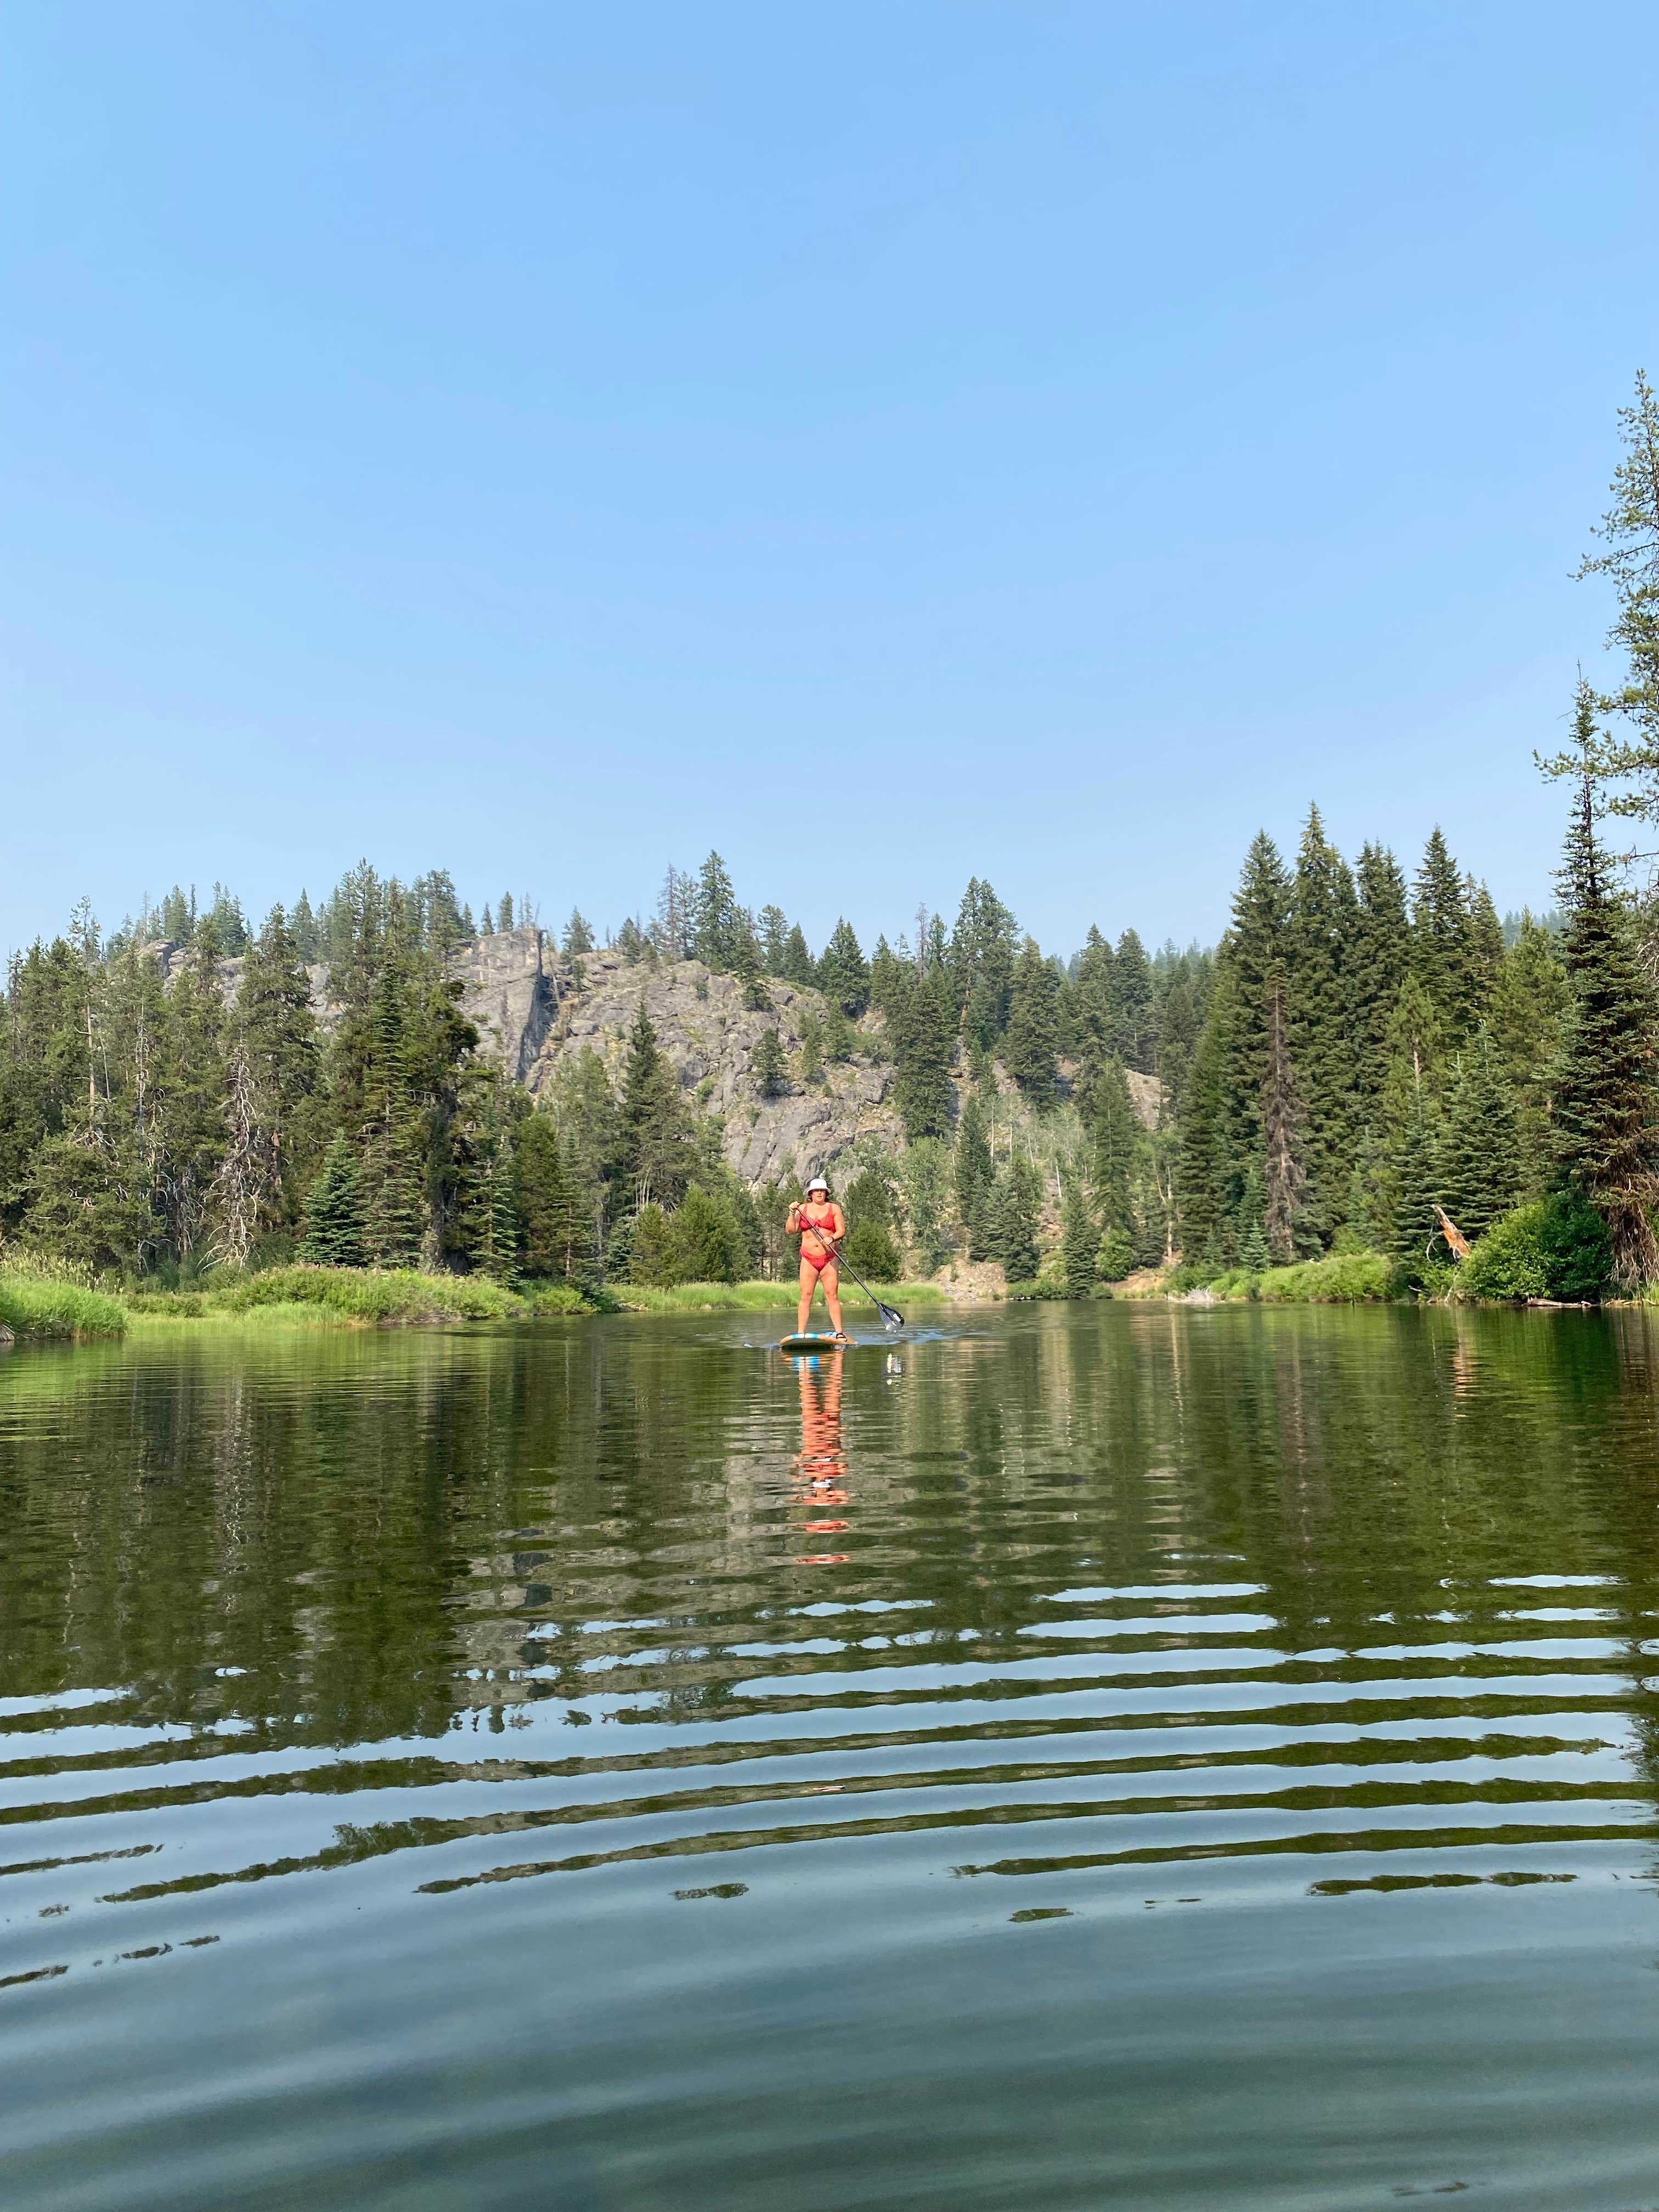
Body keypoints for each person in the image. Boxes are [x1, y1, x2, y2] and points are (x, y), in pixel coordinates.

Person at [787, 1175, 848, 1340]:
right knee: (806, 1296)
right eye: (816, 1191)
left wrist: (832, 1238)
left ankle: (839, 1332)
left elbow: (841, 1230)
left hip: (829, 1258)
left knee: (832, 1296)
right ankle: (800, 1334)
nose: (820, 1194)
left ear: (826, 1193)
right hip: (808, 1259)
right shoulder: (803, 1209)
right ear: (811, 1193)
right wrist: (792, 1212)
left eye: (822, 1191)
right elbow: (791, 1230)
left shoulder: (834, 1209)